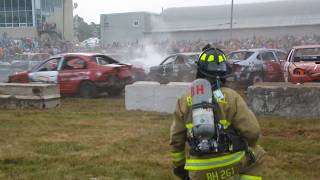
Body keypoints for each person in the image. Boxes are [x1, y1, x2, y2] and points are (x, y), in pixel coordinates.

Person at [170, 45, 266, 180]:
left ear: (200, 70)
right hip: (231, 164)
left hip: (199, 170)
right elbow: (253, 132)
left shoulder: (184, 99)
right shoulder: (232, 97)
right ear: (224, 71)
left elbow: (176, 140)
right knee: (258, 153)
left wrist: (179, 166)